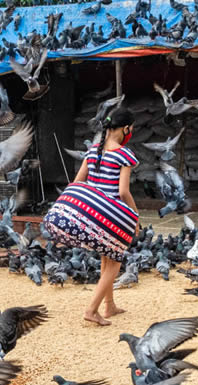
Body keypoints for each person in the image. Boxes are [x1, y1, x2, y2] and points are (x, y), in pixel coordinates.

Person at [43, 107, 140, 326]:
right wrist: (134, 216)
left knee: (107, 256)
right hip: (112, 218)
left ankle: (110, 305)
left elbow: (78, 182)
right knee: (115, 263)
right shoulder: (125, 155)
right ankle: (91, 310)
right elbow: (123, 192)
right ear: (125, 129)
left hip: (92, 219)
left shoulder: (94, 150)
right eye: (131, 129)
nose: (130, 132)